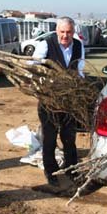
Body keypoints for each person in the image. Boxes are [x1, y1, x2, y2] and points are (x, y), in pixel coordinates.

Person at [32, 16, 85, 187]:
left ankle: (71, 168)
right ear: (57, 31)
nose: (65, 36)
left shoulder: (78, 45)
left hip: (69, 101)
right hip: (49, 100)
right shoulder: (46, 44)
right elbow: (34, 66)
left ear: (73, 32)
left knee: (69, 136)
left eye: (69, 32)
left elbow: (80, 69)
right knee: (49, 138)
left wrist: (80, 88)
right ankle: (51, 171)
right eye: (62, 32)